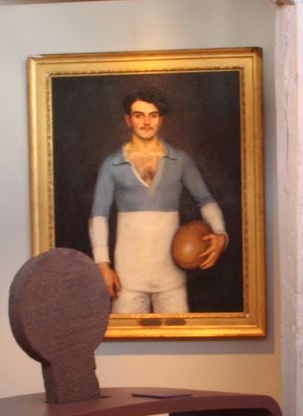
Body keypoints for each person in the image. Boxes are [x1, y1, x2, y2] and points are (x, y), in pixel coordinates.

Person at [89, 91, 226, 315]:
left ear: (160, 119)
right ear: (128, 119)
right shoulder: (111, 164)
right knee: (126, 336)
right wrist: (102, 264)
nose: (146, 122)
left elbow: (205, 200)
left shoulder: (181, 160)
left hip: (171, 278)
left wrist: (220, 234)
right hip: (127, 279)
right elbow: (99, 215)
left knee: (179, 335)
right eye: (139, 115)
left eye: (153, 115)